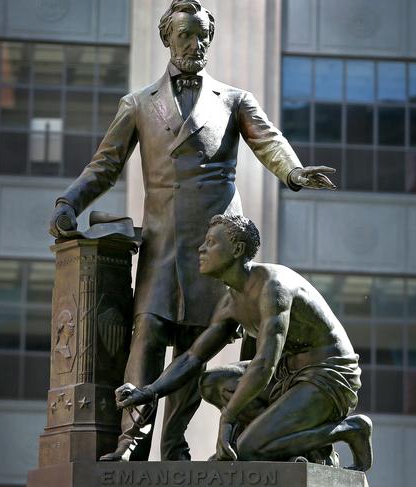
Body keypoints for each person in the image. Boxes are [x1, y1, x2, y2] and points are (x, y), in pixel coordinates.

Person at [49, 0, 336, 462]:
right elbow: (104, 166)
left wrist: (294, 172)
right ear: (168, 39)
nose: (195, 44)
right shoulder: (139, 103)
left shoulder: (234, 100)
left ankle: (174, 445)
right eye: (185, 35)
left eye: (202, 35)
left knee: (196, 343)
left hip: (217, 245)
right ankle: (130, 442)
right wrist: (70, 201)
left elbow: (269, 141)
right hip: (163, 246)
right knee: (147, 336)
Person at [116, 215, 373, 470]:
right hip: (286, 374)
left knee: (250, 448)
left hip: (327, 376)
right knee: (210, 382)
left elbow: (264, 364)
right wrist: (150, 391)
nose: (201, 249)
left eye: (211, 243)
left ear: (237, 249)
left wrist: (228, 419)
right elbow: (194, 357)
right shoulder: (230, 303)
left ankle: (350, 430)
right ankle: (279, 438)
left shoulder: (273, 287)